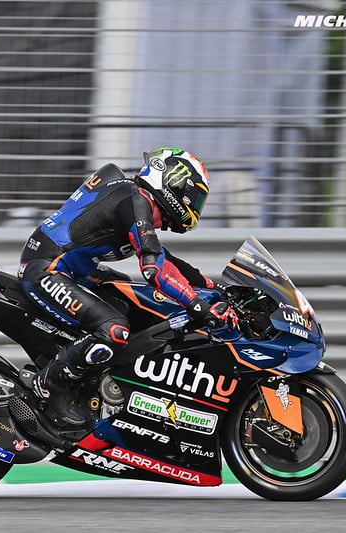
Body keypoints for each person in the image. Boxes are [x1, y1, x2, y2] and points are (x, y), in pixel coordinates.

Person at [18, 147, 239, 428]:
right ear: (175, 183)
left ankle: (95, 389)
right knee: (114, 330)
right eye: (194, 197)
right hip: (45, 270)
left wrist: (216, 288)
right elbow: (153, 268)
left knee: (133, 305)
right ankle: (50, 385)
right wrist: (199, 306)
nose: (195, 206)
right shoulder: (135, 199)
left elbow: (166, 260)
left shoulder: (135, 200)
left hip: (75, 271)